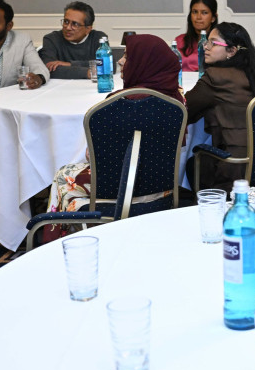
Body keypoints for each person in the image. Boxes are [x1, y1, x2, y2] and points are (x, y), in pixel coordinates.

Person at [45, 34, 184, 235]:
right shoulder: (176, 102)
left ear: (143, 63)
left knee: (63, 175)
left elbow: (92, 157)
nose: (119, 61)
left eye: (127, 56)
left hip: (113, 195)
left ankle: (62, 238)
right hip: (162, 194)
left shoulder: (115, 105)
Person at [186, 22, 255, 191]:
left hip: (232, 167)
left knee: (193, 163)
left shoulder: (215, 77)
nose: (205, 47)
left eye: (213, 43)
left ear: (232, 51)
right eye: (207, 42)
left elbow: (185, 110)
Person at [38, 1, 109, 79]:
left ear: (88, 29)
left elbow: (108, 65)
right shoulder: (51, 39)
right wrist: (88, 72)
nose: (68, 27)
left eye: (75, 24)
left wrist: (70, 64)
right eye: (66, 22)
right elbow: (48, 69)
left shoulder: (99, 38)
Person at [175, 0, 218, 72]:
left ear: (213, 18)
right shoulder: (180, 41)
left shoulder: (219, 43)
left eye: (204, 12)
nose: (198, 17)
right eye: (195, 12)